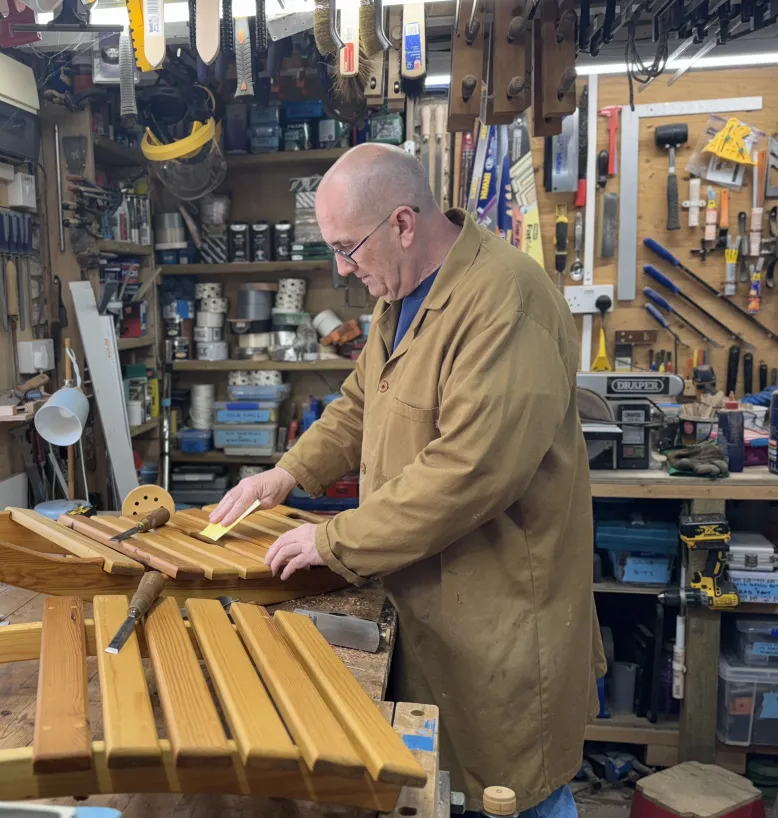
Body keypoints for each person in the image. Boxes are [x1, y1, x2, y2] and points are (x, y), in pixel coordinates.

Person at [210, 143, 605, 817]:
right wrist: (286, 473)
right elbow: (360, 403)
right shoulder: (400, 296)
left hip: (500, 612)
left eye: (347, 248)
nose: (342, 269)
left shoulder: (507, 299)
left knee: (512, 793)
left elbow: (472, 469)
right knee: (439, 787)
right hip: (426, 598)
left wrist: (334, 541)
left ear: (401, 223)